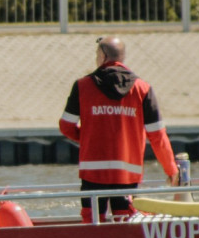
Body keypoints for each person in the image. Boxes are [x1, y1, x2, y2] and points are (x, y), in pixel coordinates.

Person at [59, 36, 179, 222]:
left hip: (93, 175)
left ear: (103, 55)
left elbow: (66, 126)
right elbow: (157, 136)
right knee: (126, 226)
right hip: (127, 176)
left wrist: (90, 138)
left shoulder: (82, 86)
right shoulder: (143, 89)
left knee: (92, 225)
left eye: (97, 53)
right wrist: (171, 170)